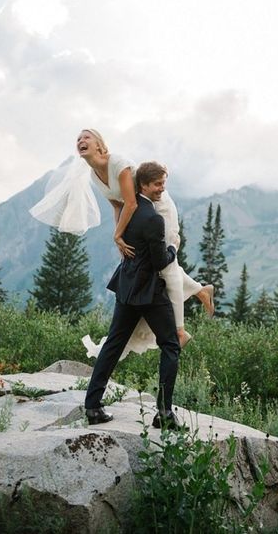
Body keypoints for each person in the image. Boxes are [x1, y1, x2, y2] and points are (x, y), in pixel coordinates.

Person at [76, 129, 214, 353]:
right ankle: (201, 291)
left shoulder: (118, 163)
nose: (81, 141)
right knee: (153, 262)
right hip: (137, 212)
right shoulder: (94, 175)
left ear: (99, 145)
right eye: (79, 139)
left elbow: (130, 203)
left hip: (157, 208)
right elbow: (117, 205)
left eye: (86, 137)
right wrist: (120, 234)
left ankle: (179, 330)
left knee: (167, 267)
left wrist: (118, 235)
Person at [84, 161, 182, 429]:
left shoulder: (131, 209)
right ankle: (164, 413)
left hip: (127, 286)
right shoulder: (152, 218)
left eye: (164, 183)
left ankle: (92, 406)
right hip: (149, 291)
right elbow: (160, 262)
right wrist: (174, 247)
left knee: (113, 344)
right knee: (171, 346)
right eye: (158, 184)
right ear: (144, 185)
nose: (162, 189)